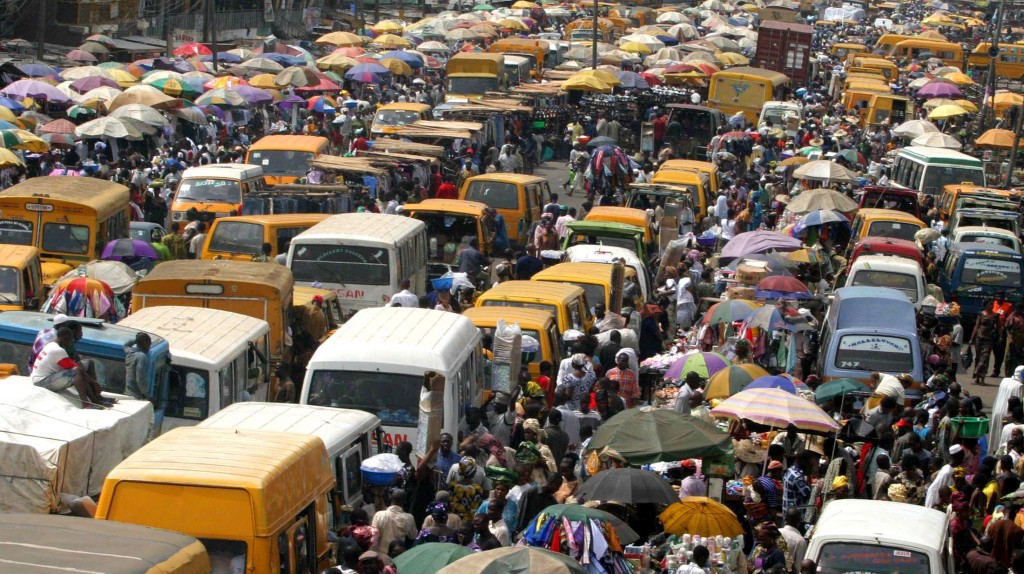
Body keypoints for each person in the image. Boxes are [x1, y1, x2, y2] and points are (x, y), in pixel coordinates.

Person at [32, 327, 108, 408]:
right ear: (65, 339)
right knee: (77, 372)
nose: (72, 342)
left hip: (47, 377)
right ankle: (86, 403)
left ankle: (96, 398)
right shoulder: (58, 350)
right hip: (42, 382)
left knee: (88, 363)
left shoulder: (51, 344)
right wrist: (95, 383)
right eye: (71, 340)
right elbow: (77, 370)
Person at [370, 489, 417, 554]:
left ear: (391, 499)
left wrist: (372, 555)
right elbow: (413, 536)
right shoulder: (409, 518)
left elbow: (374, 539)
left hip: (381, 555)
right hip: (398, 555)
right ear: (405, 502)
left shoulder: (379, 515)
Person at [123, 332, 151, 402]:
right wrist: (148, 396)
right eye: (149, 344)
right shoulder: (142, 357)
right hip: (135, 396)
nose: (149, 347)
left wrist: (137, 340)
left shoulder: (130, 352)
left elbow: (126, 345)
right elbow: (140, 379)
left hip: (127, 393)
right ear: (145, 343)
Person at [780, 508, 807, 574]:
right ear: (800, 521)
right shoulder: (800, 541)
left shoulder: (775, 532)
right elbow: (798, 567)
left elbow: (759, 558)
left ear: (785, 519)